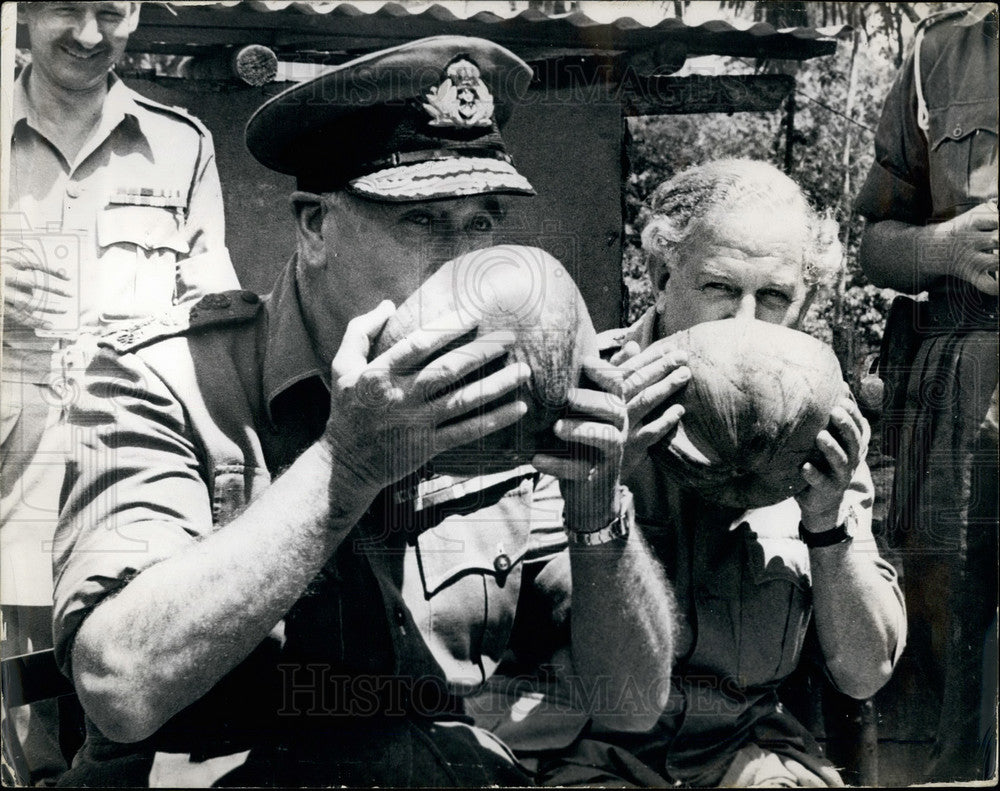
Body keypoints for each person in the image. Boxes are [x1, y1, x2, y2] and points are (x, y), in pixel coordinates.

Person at [49, 36, 677, 787]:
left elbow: (636, 703)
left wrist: (598, 509)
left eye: (481, 222)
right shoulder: (165, 378)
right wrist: (347, 464)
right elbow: (120, 686)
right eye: (421, 221)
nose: (462, 261)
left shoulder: (501, 393)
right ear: (314, 226)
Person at [488, 160, 906, 787]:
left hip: (742, 754)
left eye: (773, 297)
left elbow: (865, 669)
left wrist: (826, 525)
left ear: (806, 303)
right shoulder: (572, 395)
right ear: (659, 277)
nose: (745, 322)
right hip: (574, 749)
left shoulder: (819, 422)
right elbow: (520, 632)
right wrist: (602, 491)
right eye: (718, 287)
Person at [1, 2, 238, 783]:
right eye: (67, 7)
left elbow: (217, 328)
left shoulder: (181, 148)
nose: (91, 33)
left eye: (113, 10)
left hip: (138, 511)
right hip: (13, 516)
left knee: (125, 754)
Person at [855, 3, 998, 782]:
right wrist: (944, 245)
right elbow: (875, 244)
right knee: (949, 674)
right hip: (958, 423)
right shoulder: (940, 52)